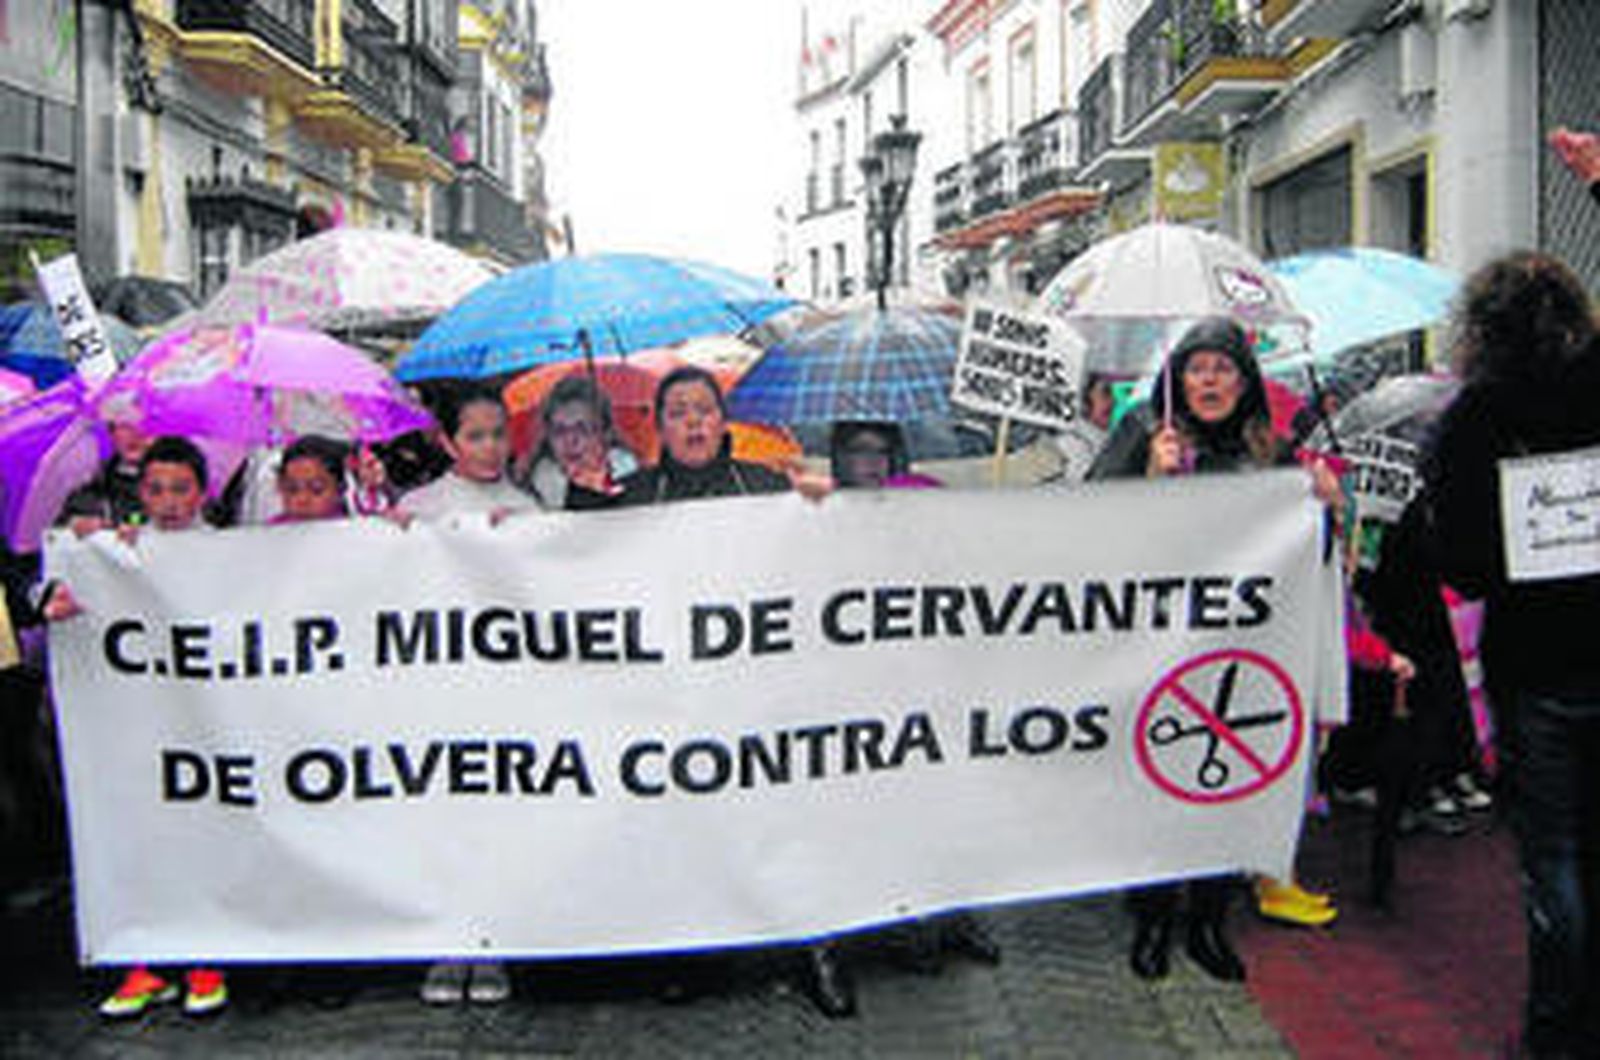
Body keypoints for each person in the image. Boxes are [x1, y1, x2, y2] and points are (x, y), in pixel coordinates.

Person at [1089, 317, 1343, 981]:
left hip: (1239, 654)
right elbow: (1083, 529)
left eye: (1223, 369)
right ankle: (1151, 918)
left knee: (1225, 786)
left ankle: (1207, 920)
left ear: (1244, 380)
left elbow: (1303, 559)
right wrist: (1146, 476)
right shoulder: (1147, 431)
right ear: (1178, 379)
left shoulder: (1271, 449)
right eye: (1197, 369)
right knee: (1155, 782)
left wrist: (1322, 508)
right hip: (1157, 648)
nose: (1209, 381)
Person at [617, 367, 847, 1017]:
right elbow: (566, 564)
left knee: (785, 817)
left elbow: (827, 551)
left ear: (723, 421)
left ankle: (817, 947)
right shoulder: (632, 496)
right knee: (688, 822)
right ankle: (693, 951)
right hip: (675, 693)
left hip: (760, 689)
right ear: (658, 427)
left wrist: (836, 504)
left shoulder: (767, 487)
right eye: (678, 412)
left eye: (703, 410)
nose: (692, 422)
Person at [1420, 251, 1600, 1058]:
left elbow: (1458, 565)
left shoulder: (1472, 421)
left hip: (1535, 665)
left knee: (1554, 857)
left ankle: (1558, 1034)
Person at [43, 436, 229, 1018]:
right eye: (154, 490)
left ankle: (206, 958)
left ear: (204, 493)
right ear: (138, 493)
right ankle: (143, 964)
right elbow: (50, 592)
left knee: (204, 837)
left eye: (181, 489)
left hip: (206, 726)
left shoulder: (229, 552)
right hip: (138, 729)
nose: (168, 501)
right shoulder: (120, 551)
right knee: (137, 835)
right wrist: (85, 558)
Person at [394, 387, 531, 1005]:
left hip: (506, 694)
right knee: (444, 818)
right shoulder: (418, 506)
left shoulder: (528, 505)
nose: (491, 446)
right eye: (475, 435)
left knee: (500, 821)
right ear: (448, 442)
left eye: (498, 432)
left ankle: (493, 942)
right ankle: (446, 943)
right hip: (438, 693)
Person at [519, 374, 637, 510]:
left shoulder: (634, 480)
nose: (570, 440)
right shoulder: (533, 495)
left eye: (582, 429)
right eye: (559, 431)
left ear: (605, 433)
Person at [55, 397, 150, 535]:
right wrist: (76, 522)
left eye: (144, 425)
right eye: (126, 426)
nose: (136, 434)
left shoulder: (180, 476)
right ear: (112, 433)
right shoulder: (94, 477)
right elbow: (62, 521)